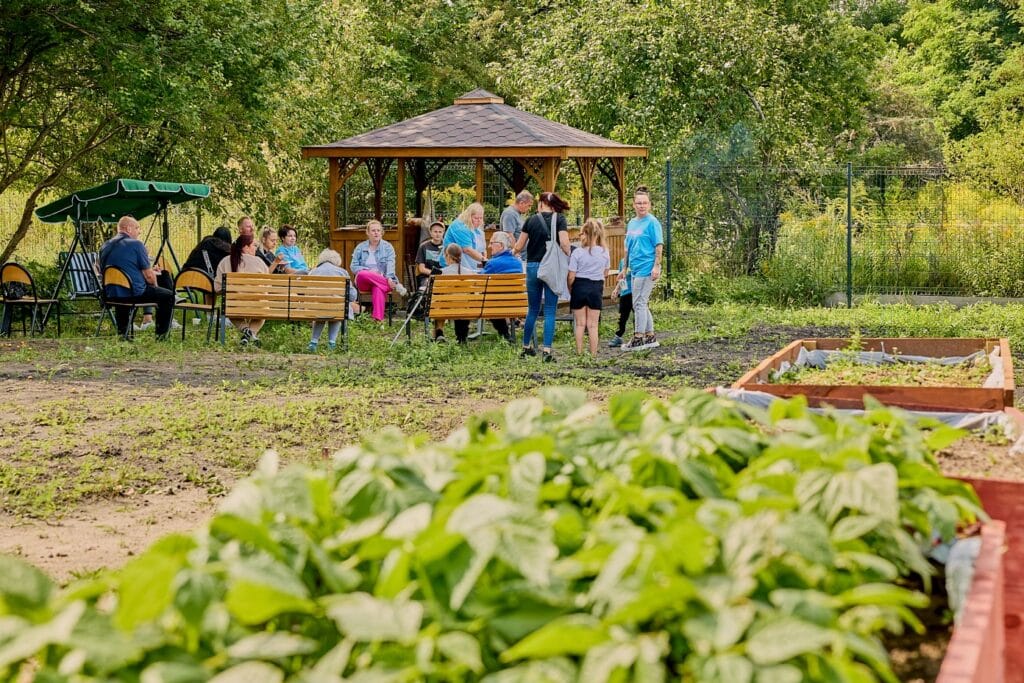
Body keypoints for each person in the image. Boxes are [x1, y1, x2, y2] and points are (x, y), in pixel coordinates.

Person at [513, 191, 571, 362]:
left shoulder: (530, 220)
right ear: (553, 205)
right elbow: (565, 243)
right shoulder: (559, 219)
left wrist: (513, 251)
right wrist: (568, 255)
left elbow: (520, 245)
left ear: (541, 204)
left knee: (532, 309)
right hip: (550, 267)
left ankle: (526, 348)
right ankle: (546, 351)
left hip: (532, 267)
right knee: (550, 310)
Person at [98, 215, 174, 339]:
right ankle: (161, 336)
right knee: (168, 296)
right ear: (128, 229)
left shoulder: (105, 246)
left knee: (122, 290)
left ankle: (123, 334)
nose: (140, 231)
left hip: (111, 294)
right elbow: (149, 277)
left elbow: (115, 271)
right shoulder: (136, 245)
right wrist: (155, 286)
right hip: (133, 295)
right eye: (137, 228)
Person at [618, 186, 664, 351]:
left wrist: (656, 266)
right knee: (641, 303)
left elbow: (659, 246)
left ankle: (638, 338)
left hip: (647, 268)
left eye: (644, 203)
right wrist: (624, 269)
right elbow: (627, 248)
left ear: (649, 205)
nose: (642, 206)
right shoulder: (632, 223)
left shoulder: (652, 222)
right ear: (633, 205)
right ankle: (650, 336)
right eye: (639, 203)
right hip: (635, 270)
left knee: (638, 303)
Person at [214, 234, 271, 345]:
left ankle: (247, 332)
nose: (256, 248)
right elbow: (267, 287)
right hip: (258, 306)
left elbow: (217, 288)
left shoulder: (225, 261)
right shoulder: (259, 262)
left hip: (234, 307)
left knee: (229, 307)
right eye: (254, 245)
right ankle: (252, 334)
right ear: (246, 247)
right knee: (264, 308)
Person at [568, 219, 610, 357]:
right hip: (596, 288)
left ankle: (579, 352)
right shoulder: (604, 252)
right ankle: (593, 354)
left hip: (579, 286)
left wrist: (570, 289)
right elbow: (605, 273)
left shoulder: (577, 253)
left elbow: (571, 276)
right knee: (593, 325)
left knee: (580, 323)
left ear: (584, 234)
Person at [351, 219, 408, 322]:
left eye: (378, 230)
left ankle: (378, 320)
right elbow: (354, 267)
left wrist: (389, 277)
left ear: (382, 232)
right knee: (363, 273)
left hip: (382, 281)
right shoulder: (360, 247)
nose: (376, 232)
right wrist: (370, 271)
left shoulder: (388, 248)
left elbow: (391, 265)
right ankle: (395, 285)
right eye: (373, 230)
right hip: (363, 281)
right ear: (368, 233)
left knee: (378, 288)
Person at [307, 249, 360, 352]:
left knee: (322, 310)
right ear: (336, 260)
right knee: (337, 309)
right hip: (337, 309)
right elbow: (352, 295)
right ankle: (332, 343)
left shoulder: (313, 272)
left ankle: (313, 341)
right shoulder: (342, 272)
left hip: (317, 308)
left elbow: (307, 292)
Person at [480, 231, 524, 344]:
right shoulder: (518, 263)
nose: (489, 246)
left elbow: (480, 281)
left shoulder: (492, 263)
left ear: (501, 245)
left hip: (497, 304)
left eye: (492, 243)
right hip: (516, 303)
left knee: (490, 302)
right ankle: (506, 334)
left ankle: (505, 333)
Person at [437, 243, 477, 343]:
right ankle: (461, 337)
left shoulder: (442, 273)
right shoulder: (469, 273)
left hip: (446, 308)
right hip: (464, 308)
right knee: (462, 303)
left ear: (448, 257)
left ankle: (439, 333)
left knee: (439, 303)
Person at [440, 203, 486, 270]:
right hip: (452, 265)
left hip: (471, 266)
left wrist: (483, 260)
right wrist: (484, 260)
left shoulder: (477, 229)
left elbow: (482, 249)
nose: (479, 221)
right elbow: (467, 250)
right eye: (476, 218)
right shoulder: (460, 227)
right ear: (468, 216)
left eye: (481, 218)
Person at [414, 220, 445, 289]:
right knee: (428, 287)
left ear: (443, 233)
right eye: (435, 232)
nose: (438, 234)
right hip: (427, 276)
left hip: (444, 276)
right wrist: (436, 275)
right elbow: (421, 269)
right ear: (430, 233)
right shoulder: (424, 246)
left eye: (440, 232)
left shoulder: (447, 246)